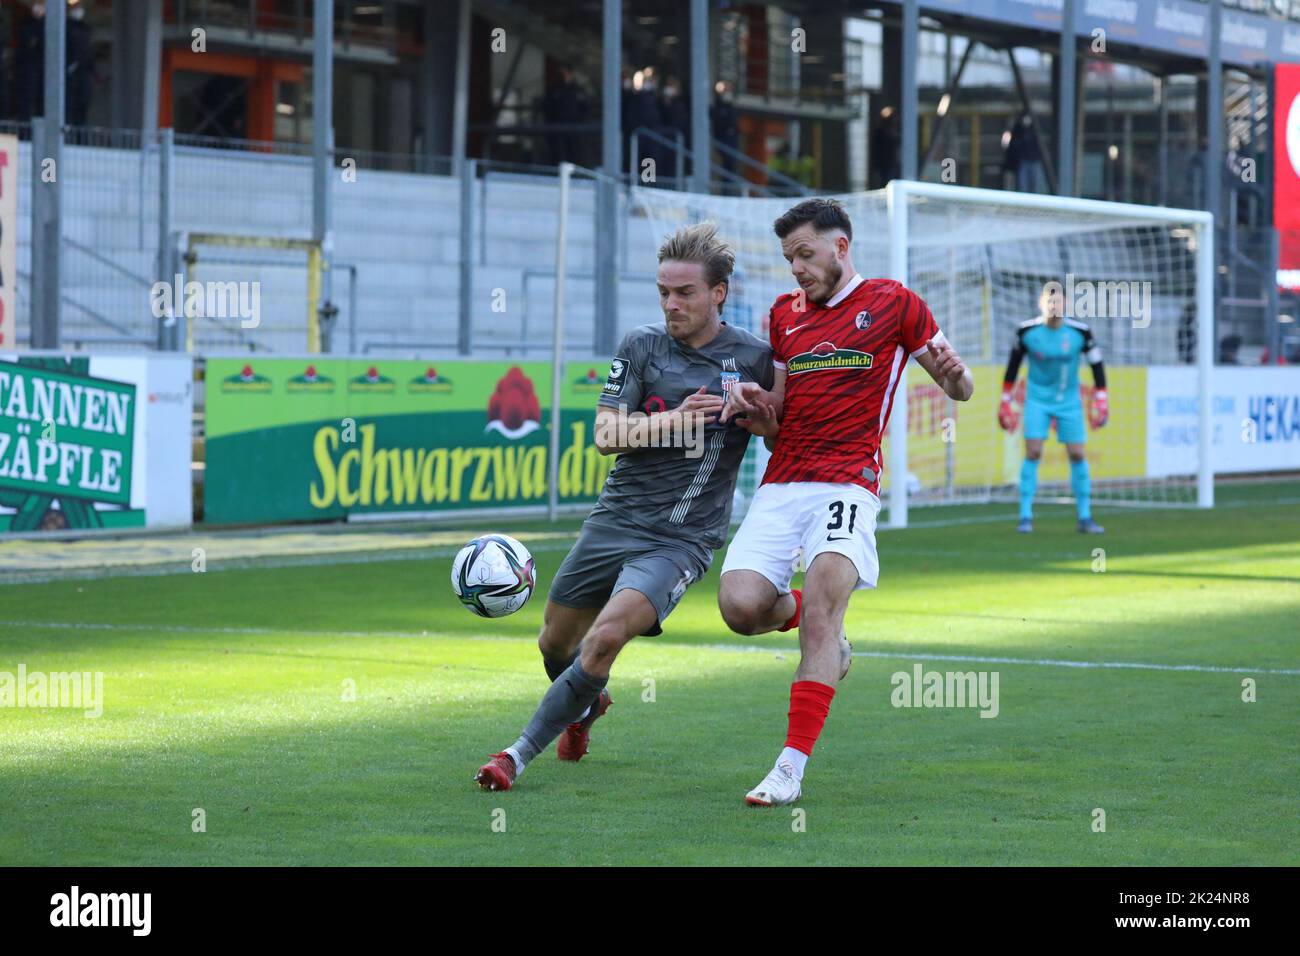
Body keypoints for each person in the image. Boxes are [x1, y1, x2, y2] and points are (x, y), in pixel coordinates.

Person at [474, 223, 776, 791]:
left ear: (719, 292)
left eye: (684, 292)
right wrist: (673, 419)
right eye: (663, 291)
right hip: (614, 521)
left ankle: (513, 756)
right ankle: (587, 707)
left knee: (606, 638)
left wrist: (763, 419)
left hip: (679, 539)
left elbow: (784, 439)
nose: (671, 303)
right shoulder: (641, 346)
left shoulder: (757, 358)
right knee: (553, 645)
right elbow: (606, 435)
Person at [716, 198, 975, 806]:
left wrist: (957, 375)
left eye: (805, 254)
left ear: (841, 246)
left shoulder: (894, 303)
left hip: (848, 481)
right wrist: (757, 410)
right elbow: (778, 418)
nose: (797, 269)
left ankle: (789, 768)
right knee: (741, 607)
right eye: (789, 259)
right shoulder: (784, 315)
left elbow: (958, 388)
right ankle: (825, 636)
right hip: (782, 482)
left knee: (826, 609)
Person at [998, 283, 1108, 534]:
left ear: (1065, 305)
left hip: (1070, 401)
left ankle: (1085, 517)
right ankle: (1025, 516)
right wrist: (1005, 400)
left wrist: (1102, 397)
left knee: (1077, 453)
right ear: (1041, 304)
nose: (1054, 307)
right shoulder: (1027, 332)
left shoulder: (1081, 332)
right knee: (1033, 451)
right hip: (1037, 400)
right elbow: (1012, 367)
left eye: (1058, 302)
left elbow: (1097, 365)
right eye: (1050, 302)